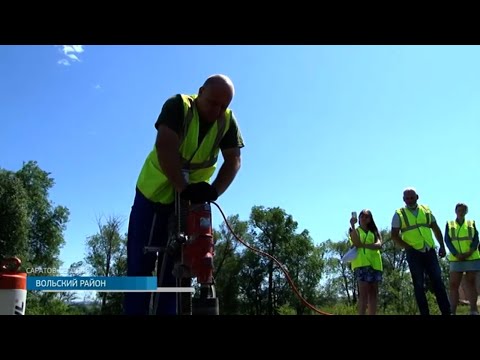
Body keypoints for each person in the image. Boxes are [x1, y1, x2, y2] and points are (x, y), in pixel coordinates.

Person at [124, 74, 245, 315]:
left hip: (189, 204)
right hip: (153, 196)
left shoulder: (227, 121)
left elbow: (233, 160)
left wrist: (214, 191)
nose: (217, 110)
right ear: (200, 92)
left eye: (224, 106)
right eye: (212, 103)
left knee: (178, 271)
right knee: (140, 269)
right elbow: (165, 146)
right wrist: (182, 186)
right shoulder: (178, 106)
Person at [391, 187, 451, 315]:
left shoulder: (426, 210)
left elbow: (435, 228)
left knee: (438, 282)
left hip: (429, 250)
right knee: (418, 285)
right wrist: (407, 247)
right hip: (413, 252)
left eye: (412, 197)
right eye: (407, 198)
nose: (409, 200)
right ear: (403, 199)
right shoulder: (399, 214)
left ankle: (446, 311)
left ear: (417, 197)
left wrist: (441, 245)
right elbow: (394, 235)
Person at [444, 203, 480, 315]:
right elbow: (447, 240)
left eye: (463, 210)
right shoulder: (449, 224)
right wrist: (455, 253)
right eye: (459, 210)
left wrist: (470, 251)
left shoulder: (471, 223)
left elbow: (476, 239)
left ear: (466, 212)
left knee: (471, 283)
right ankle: (452, 311)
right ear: (455, 211)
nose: (461, 212)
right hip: (456, 259)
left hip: (471, 258)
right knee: (453, 285)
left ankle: (473, 309)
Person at [348, 209, 383, 315]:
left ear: (370, 219)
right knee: (363, 294)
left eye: (367, 217)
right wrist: (353, 226)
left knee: (373, 293)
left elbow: (379, 244)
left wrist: (365, 245)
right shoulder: (355, 230)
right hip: (361, 264)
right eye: (362, 216)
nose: (364, 218)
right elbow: (356, 243)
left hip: (375, 264)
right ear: (358, 218)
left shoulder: (374, 231)